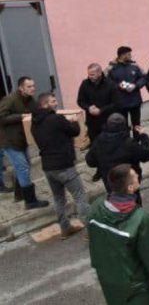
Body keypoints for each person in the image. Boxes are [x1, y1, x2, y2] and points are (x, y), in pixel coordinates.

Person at [87, 164, 149, 305]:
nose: (138, 176)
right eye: (135, 176)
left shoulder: (96, 208)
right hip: (137, 289)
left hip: (110, 282)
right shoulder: (141, 219)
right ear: (130, 188)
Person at [30, 93, 90, 238]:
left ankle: (65, 228)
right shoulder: (57, 119)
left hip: (48, 167)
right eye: (53, 101)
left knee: (58, 198)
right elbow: (75, 132)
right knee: (80, 196)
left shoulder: (34, 124)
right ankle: (90, 230)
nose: (56, 103)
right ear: (45, 104)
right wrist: (75, 121)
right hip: (64, 165)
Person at [0, 77, 49, 209]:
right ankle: (30, 201)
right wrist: (21, 116)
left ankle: (19, 194)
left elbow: (36, 113)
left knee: (23, 165)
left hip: (21, 139)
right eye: (29, 86)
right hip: (9, 140)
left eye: (33, 86)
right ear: (21, 88)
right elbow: (2, 117)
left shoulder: (30, 100)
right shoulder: (10, 99)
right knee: (23, 168)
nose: (33, 88)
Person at [86, 113, 149, 205]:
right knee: (134, 208)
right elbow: (148, 154)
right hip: (130, 184)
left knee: (115, 206)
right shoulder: (129, 143)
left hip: (110, 183)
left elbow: (90, 161)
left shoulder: (99, 140)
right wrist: (143, 136)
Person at [77, 63, 120, 144]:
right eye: (89, 74)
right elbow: (80, 101)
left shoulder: (110, 84)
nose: (90, 77)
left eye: (92, 74)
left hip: (107, 121)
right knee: (94, 145)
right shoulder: (85, 84)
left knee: (108, 145)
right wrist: (88, 108)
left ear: (100, 73)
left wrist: (101, 110)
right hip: (91, 122)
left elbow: (116, 103)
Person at [108, 46, 147, 134]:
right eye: (128, 54)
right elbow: (108, 82)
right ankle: (126, 143)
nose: (130, 56)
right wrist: (118, 86)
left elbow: (144, 78)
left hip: (135, 100)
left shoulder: (134, 65)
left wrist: (136, 85)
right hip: (120, 102)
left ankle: (137, 142)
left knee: (136, 124)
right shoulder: (112, 68)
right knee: (123, 125)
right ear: (122, 55)